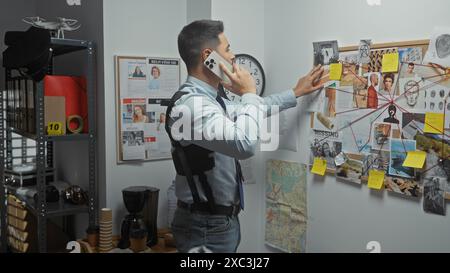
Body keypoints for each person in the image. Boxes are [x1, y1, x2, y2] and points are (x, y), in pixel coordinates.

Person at [166, 20, 324, 253]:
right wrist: (249, 92)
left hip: (217, 222)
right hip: (204, 227)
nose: (233, 56)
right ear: (209, 56)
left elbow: (251, 110)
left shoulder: (211, 100)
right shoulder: (190, 106)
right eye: (228, 49)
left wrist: (295, 92)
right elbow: (244, 144)